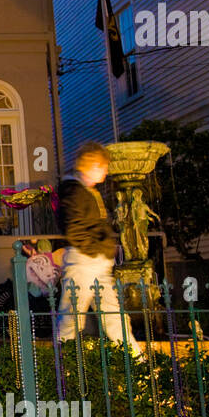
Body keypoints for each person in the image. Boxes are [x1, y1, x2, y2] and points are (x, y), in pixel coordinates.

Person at [54, 142, 144, 362]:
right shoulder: (74, 191)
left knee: (110, 316)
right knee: (72, 317)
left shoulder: (82, 189)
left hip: (94, 261)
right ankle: (62, 365)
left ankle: (136, 360)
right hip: (85, 261)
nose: (106, 172)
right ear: (93, 165)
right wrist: (96, 250)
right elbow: (74, 228)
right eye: (103, 167)